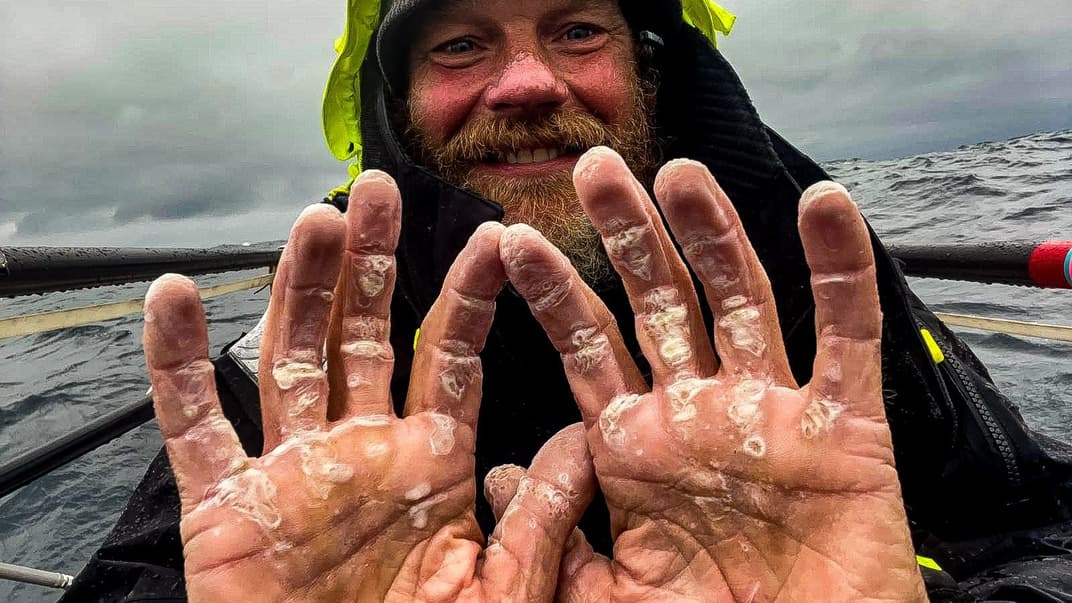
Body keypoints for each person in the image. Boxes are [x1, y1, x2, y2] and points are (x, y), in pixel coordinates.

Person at [62, 0, 1072, 600]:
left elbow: (1037, 525)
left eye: (577, 27)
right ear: (393, 103)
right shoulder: (320, 321)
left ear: (651, 66)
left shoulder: (804, 266)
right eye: (459, 44)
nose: (525, 83)